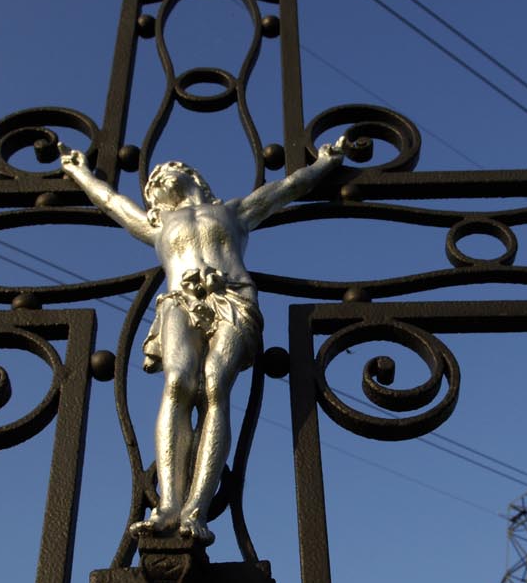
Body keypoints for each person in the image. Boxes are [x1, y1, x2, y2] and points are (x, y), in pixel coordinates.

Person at [59, 137, 351, 545]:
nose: (156, 178)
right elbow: (111, 202)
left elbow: (288, 187)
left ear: (191, 175)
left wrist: (325, 163)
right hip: (180, 301)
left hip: (232, 297)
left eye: (165, 170)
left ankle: (196, 508)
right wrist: (79, 173)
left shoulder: (233, 211)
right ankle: (168, 505)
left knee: (215, 383)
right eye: (151, 181)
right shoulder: (157, 224)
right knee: (178, 382)